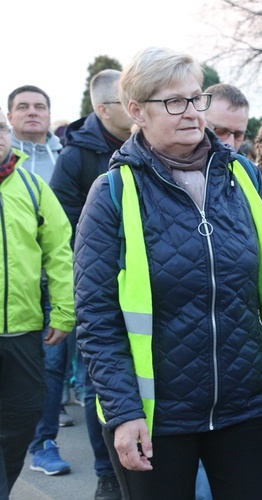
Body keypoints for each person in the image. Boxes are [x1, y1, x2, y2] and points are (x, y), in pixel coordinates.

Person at [74, 46, 262, 499]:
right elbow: (96, 317)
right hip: (155, 415)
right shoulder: (112, 193)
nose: (191, 112)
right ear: (135, 111)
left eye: (196, 98)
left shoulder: (243, 177)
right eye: (173, 101)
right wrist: (125, 412)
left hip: (247, 404)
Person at [203, 82, 262, 500]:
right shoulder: (141, 183)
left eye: (238, 134)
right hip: (179, 375)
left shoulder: (253, 181)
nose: (229, 143)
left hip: (247, 363)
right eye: (220, 131)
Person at [49, 69, 132, 500]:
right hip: (97, 285)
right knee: (98, 384)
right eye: (126, 99)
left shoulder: (144, 145)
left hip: (142, 286)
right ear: (103, 109)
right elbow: (63, 224)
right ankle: (105, 472)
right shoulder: (76, 156)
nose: (137, 105)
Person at [0, 109, 74, 498]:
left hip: (24, 331)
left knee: (22, 420)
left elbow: (59, 251)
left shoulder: (31, 186)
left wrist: (64, 310)